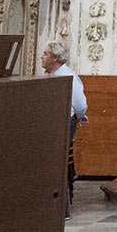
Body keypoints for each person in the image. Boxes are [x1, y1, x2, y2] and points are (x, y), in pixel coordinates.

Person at [41, 41, 88, 213]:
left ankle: (61, 208)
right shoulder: (50, 75)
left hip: (63, 124)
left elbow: (80, 104)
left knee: (57, 161)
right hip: (51, 125)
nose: (42, 57)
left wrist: (79, 117)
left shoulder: (68, 76)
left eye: (45, 54)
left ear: (55, 57)